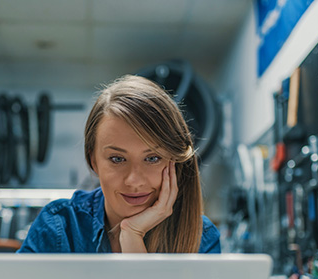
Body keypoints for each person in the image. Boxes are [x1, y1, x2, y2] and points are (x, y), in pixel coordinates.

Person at [17, 74, 220, 253]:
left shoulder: (201, 238)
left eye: (152, 158)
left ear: (174, 161)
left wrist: (132, 235)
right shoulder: (59, 226)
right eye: (117, 159)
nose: (134, 180)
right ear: (93, 162)